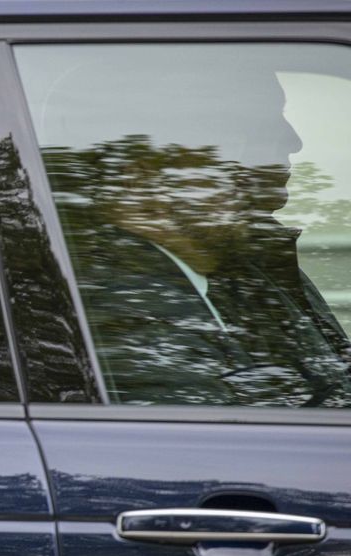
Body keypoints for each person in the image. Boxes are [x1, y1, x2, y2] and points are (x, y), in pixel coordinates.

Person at [36, 54, 351, 405]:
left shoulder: (252, 269)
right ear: (141, 181)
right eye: (249, 126)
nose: (293, 140)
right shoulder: (122, 312)